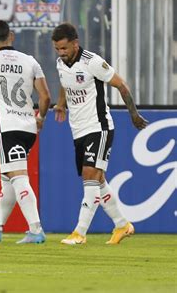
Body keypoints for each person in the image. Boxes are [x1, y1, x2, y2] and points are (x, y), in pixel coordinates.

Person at [51, 22, 148, 245]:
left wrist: (133, 114)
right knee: (99, 180)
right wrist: (61, 103)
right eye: (57, 49)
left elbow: (121, 84)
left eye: (64, 48)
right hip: (78, 130)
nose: (61, 53)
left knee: (89, 176)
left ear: (75, 44)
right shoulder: (61, 63)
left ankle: (79, 233)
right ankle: (122, 225)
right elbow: (65, 83)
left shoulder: (92, 62)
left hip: (98, 127)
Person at [0, 20, 50, 244]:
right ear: (12, 36)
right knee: (8, 179)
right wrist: (41, 118)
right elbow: (45, 96)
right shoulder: (30, 61)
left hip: (7, 127)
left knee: (18, 178)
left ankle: (36, 229)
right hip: (28, 127)